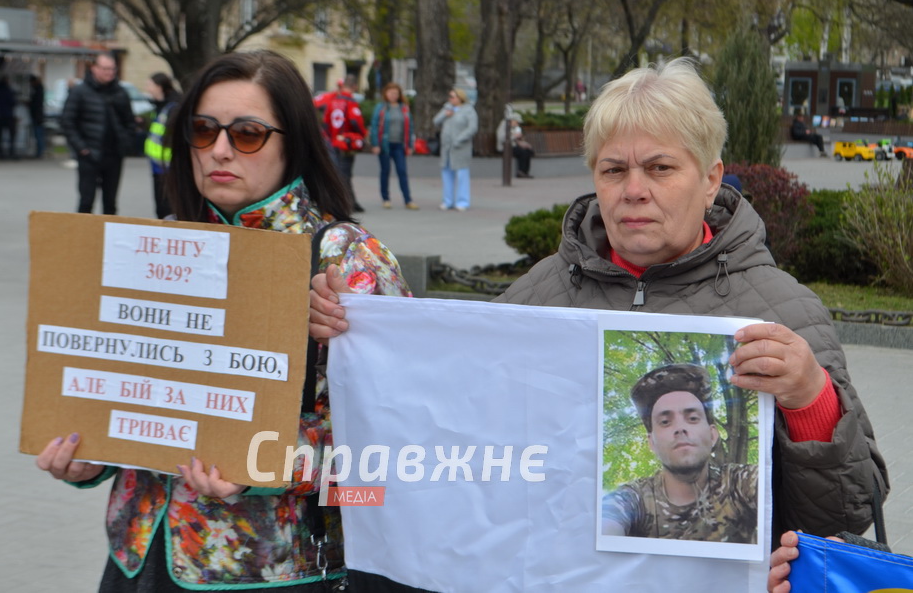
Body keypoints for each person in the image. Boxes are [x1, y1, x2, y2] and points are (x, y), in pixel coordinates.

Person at [310, 58, 888, 560]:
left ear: (710, 180)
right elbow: (447, 448)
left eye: (660, 168)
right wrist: (355, 339)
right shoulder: (537, 294)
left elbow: (843, 519)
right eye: (614, 170)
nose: (633, 189)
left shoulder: (783, 309)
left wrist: (812, 400)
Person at [35, 50, 411, 591]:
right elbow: (134, 398)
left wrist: (262, 468)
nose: (220, 151)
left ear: (293, 143)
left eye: (249, 134)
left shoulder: (345, 261)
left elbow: (392, 460)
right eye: (203, 130)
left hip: (268, 572)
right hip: (140, 554)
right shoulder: (159, 243)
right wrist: (93, 457)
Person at [601, 364, 757, 542]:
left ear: (713, 435)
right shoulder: (634, 499)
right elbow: (602, 526)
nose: (680, 428)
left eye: (692, 418)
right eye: (666, 422)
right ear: (651, 442)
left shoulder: (739, 483)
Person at [61, 52, 136, 214]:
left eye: (112, 69)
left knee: (110, 203)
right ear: (94, 68)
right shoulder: (80, 92)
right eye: (105, 69)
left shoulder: (121, 93)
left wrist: (126, 142)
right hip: (89, 155)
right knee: (86, 201)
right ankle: (83, 237)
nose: (109, 72)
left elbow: (130, 122)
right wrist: (81, 148)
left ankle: (108, 238)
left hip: (114, 155)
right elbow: (67, 122)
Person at [315, 75, 367, 213]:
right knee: (345, 174)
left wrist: (330, 138)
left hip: (333, 142)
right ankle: (346, 203)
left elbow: (325, 122)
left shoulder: (333, 101)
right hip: (346, 143)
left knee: (337, 171)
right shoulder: (351, 102)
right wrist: (362, 135)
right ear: (354, 86)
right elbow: (356, 121)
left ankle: (345, 201)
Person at [370, 82, 418, 210]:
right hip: (384, 145)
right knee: (385, 171)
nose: (393, 95)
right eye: (391, 93)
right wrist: (375, 143)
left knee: (402, 171)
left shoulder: (404, 108)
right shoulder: (381, 108)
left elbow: (410, 127)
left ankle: (408, 199)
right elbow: (374, 126)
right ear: (386, 94)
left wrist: (410, 145)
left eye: (396, 93)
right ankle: (386, 198)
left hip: (399, 145)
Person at [143, 72, 181, 218]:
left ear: (159, 87)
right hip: (158, 166)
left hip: (168, 168)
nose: (147, 88)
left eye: (150, 85)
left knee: (167, 210)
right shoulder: (160, 105)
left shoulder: (173, 107)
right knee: (161, 208)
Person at [433, 87, 478, 211]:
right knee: (446, 174)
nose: (450, 99)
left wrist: (459, 139)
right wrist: (445, 114)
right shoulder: (447, 108)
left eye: (453, 97)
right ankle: (447, 201)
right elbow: (435, 121)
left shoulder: (469, 110)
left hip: (460, 148)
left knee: (462, 175)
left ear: (460, 98)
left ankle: (463, 201)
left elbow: (472, 128)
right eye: (450, 96)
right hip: (447, 148)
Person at [496, 113, 534, 178]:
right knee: (523, 152)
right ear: (512, 120)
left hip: (513, 146)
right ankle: (521, 172)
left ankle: (525, 172)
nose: (518, 124)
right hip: (504, 148)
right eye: (517, 122)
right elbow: (501, 138)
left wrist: (522, 142)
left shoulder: (513, 127)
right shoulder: (504, 125)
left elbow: (515, 140)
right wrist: (514, 136)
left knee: (528, 151)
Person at [0, 75, 16, 159]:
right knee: (12, 135)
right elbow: (12, 102)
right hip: (8, 115)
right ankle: (11, 151)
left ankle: (0, 152)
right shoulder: (8, 90)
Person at [29, 75, 46, 158]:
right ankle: (40, 151)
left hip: (37, 116)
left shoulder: (37, 90)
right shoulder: (39, 89)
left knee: (38, 135)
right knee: (39, 134)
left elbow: (35, 104)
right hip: (38, 116)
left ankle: (40, 152)